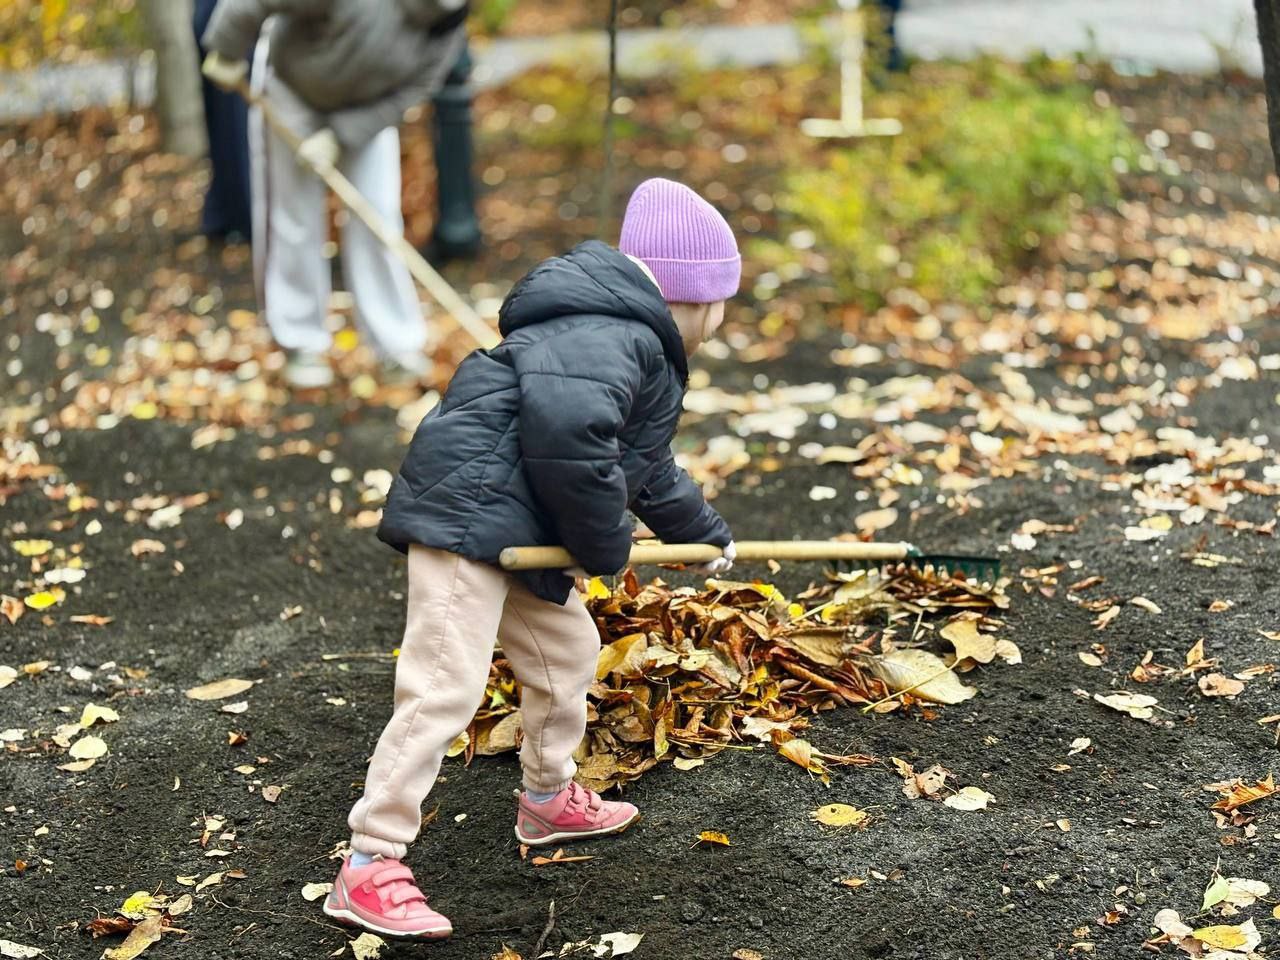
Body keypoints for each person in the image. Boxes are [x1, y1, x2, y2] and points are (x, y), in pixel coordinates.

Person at [321, 179, 741, 939]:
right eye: (722, 303)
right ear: (697, 296)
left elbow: (644, 466)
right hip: (468, 518)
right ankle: (368, 862)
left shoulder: (620, 335)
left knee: (564, 650)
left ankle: (548, 800)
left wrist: (705, 530)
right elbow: (572, 441)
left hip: (515, 524)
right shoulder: (615, 334)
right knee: (443, 686)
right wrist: (604, 545)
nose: (721, 321)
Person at [199, 0, 469, 388]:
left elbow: (411, 92)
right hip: (291, 89)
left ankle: (395, 345)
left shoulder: (448, 27)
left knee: (378, 219)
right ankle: (300, 340)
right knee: (294, 218)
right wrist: (226, 49)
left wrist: (341, 135)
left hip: (365, 115)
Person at [192, 0, 252, 242]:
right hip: (229, 20)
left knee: (226, 119)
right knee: (234, 121)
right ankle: (240, 215)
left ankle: (224, 213)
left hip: (219, 18)